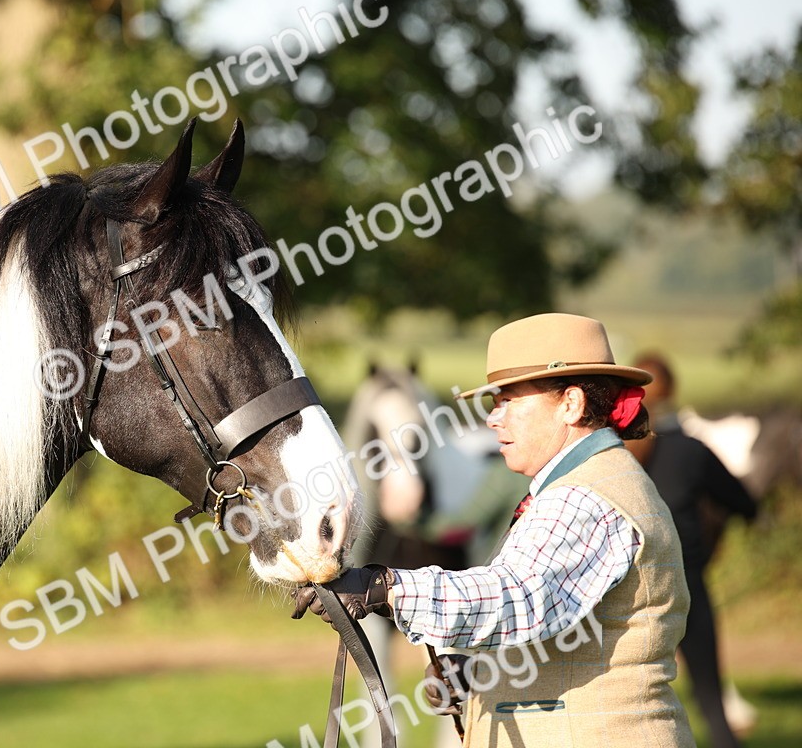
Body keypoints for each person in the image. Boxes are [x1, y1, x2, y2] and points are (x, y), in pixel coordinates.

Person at [293, 313, 696, 748]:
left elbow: (516, 596)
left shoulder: (584, 497)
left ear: (571, 404)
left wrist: (387, 587)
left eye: (509, 401)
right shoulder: (584, 483)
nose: (493, 419)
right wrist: (480, 676)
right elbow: (557, 626)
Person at [626, 353, 757, 748]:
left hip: (627, 588)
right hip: (685, 581)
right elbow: (745, 504)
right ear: (673, 392)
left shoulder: (615, 453)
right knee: (712, 704)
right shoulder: (691, 450)